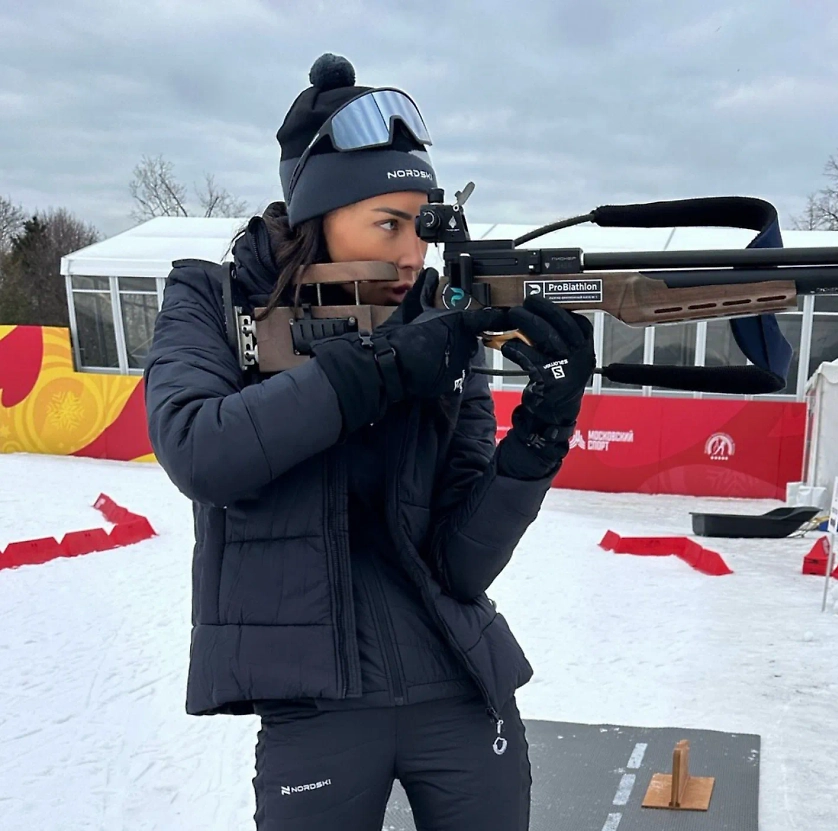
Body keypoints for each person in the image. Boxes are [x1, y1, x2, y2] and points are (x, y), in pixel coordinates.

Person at [144, 53, 595, 831]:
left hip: (458, 679)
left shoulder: (436, 323)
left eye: (421, 226)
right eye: (388, 223)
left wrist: (542, 431)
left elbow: (462, 559)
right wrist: (379, 369)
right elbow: (198, 448)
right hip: (314, 702)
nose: (412, 253)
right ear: (320, 216)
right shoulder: (210, 302)